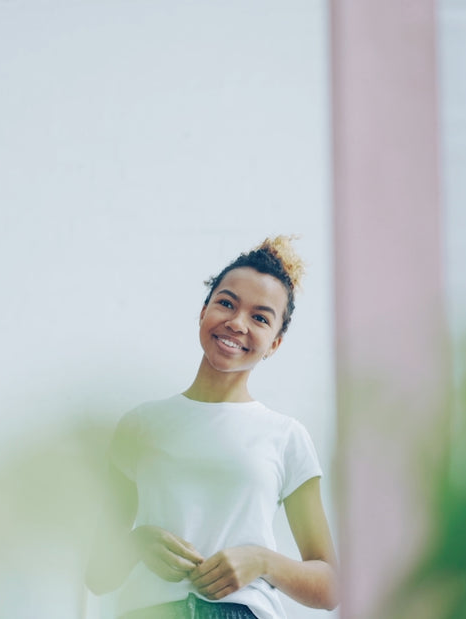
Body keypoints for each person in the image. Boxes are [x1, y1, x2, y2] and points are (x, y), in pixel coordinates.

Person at [86, 236, 339, 618]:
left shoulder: (286, 437)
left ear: (275, 343)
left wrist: (263, 561)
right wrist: (136, 544)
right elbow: (97, 574)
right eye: (226, 303)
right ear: (204, 310)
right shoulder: (140, 425)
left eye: (260, 317)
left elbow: (329, 585)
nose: (237, 324)